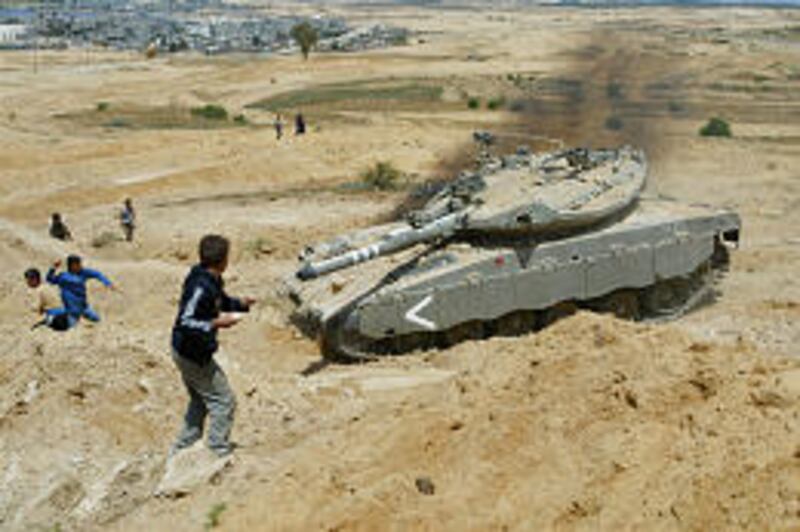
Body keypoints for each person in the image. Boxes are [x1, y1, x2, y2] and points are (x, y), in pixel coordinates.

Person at [170, 234, 255, 458]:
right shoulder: (200, 286)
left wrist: (240, 304)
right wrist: (215, 323)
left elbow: (219, 300)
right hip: (191, 354)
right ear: (224, 261)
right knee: (224, 401)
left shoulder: (210, 278)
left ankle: (182, 450)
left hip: (189, 350)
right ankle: (217, 450)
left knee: (200, 400)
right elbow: (185, 321)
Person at [47, 255, 116, 328]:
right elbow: (49, 279)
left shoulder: (83, 273)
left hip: (83, 307)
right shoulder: (63, 277)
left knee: (96, 319)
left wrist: (108, 283)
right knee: (72, 325)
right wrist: (53, 268)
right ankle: (51, 312)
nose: (81, 266)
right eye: (79, 264)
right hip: (71, 310)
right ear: (73, 265)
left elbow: (97, 274)